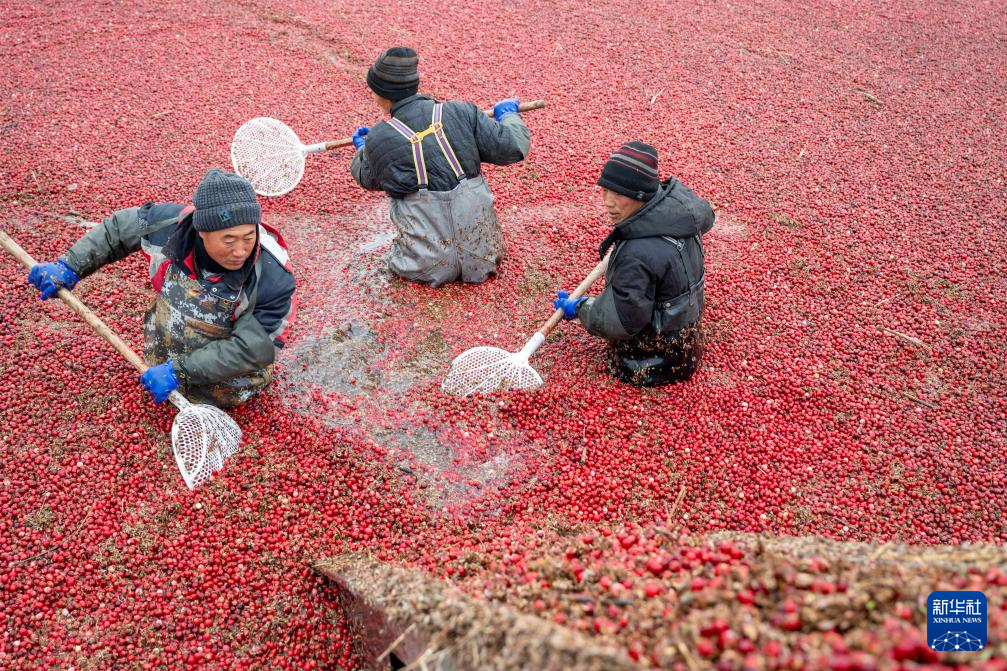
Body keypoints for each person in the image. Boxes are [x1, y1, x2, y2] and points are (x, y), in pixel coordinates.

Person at [26, 169, 296, 407]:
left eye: (248, 237)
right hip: (165, 353)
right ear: (201, 231)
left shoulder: (273, 275)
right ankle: (166, 366)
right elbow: (118, 230)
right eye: (228, 240)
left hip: (231, 378)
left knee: (232, 380)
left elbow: (253, 348)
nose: (240, 251)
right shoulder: (170, 226)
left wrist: (181, 371)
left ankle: (182, 374)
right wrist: (70, 265)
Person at [349, 46, 531, 287]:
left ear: (384, 93)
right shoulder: (462, 112)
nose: (373, 97)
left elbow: (367, 179)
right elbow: (513, 147)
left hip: (422, 265)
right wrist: (509, 116)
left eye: (374, 92)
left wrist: (364, 151)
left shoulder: (380, 137)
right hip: (483, 255)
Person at [553, 142, 714, 386]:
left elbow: (621, 321)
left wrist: (582, 308)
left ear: (641, 194)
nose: (608, 202)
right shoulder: (680, 217)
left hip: (652, 361)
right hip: (687, 343)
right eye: (605, 191)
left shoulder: (637, 253)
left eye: (619, 194)